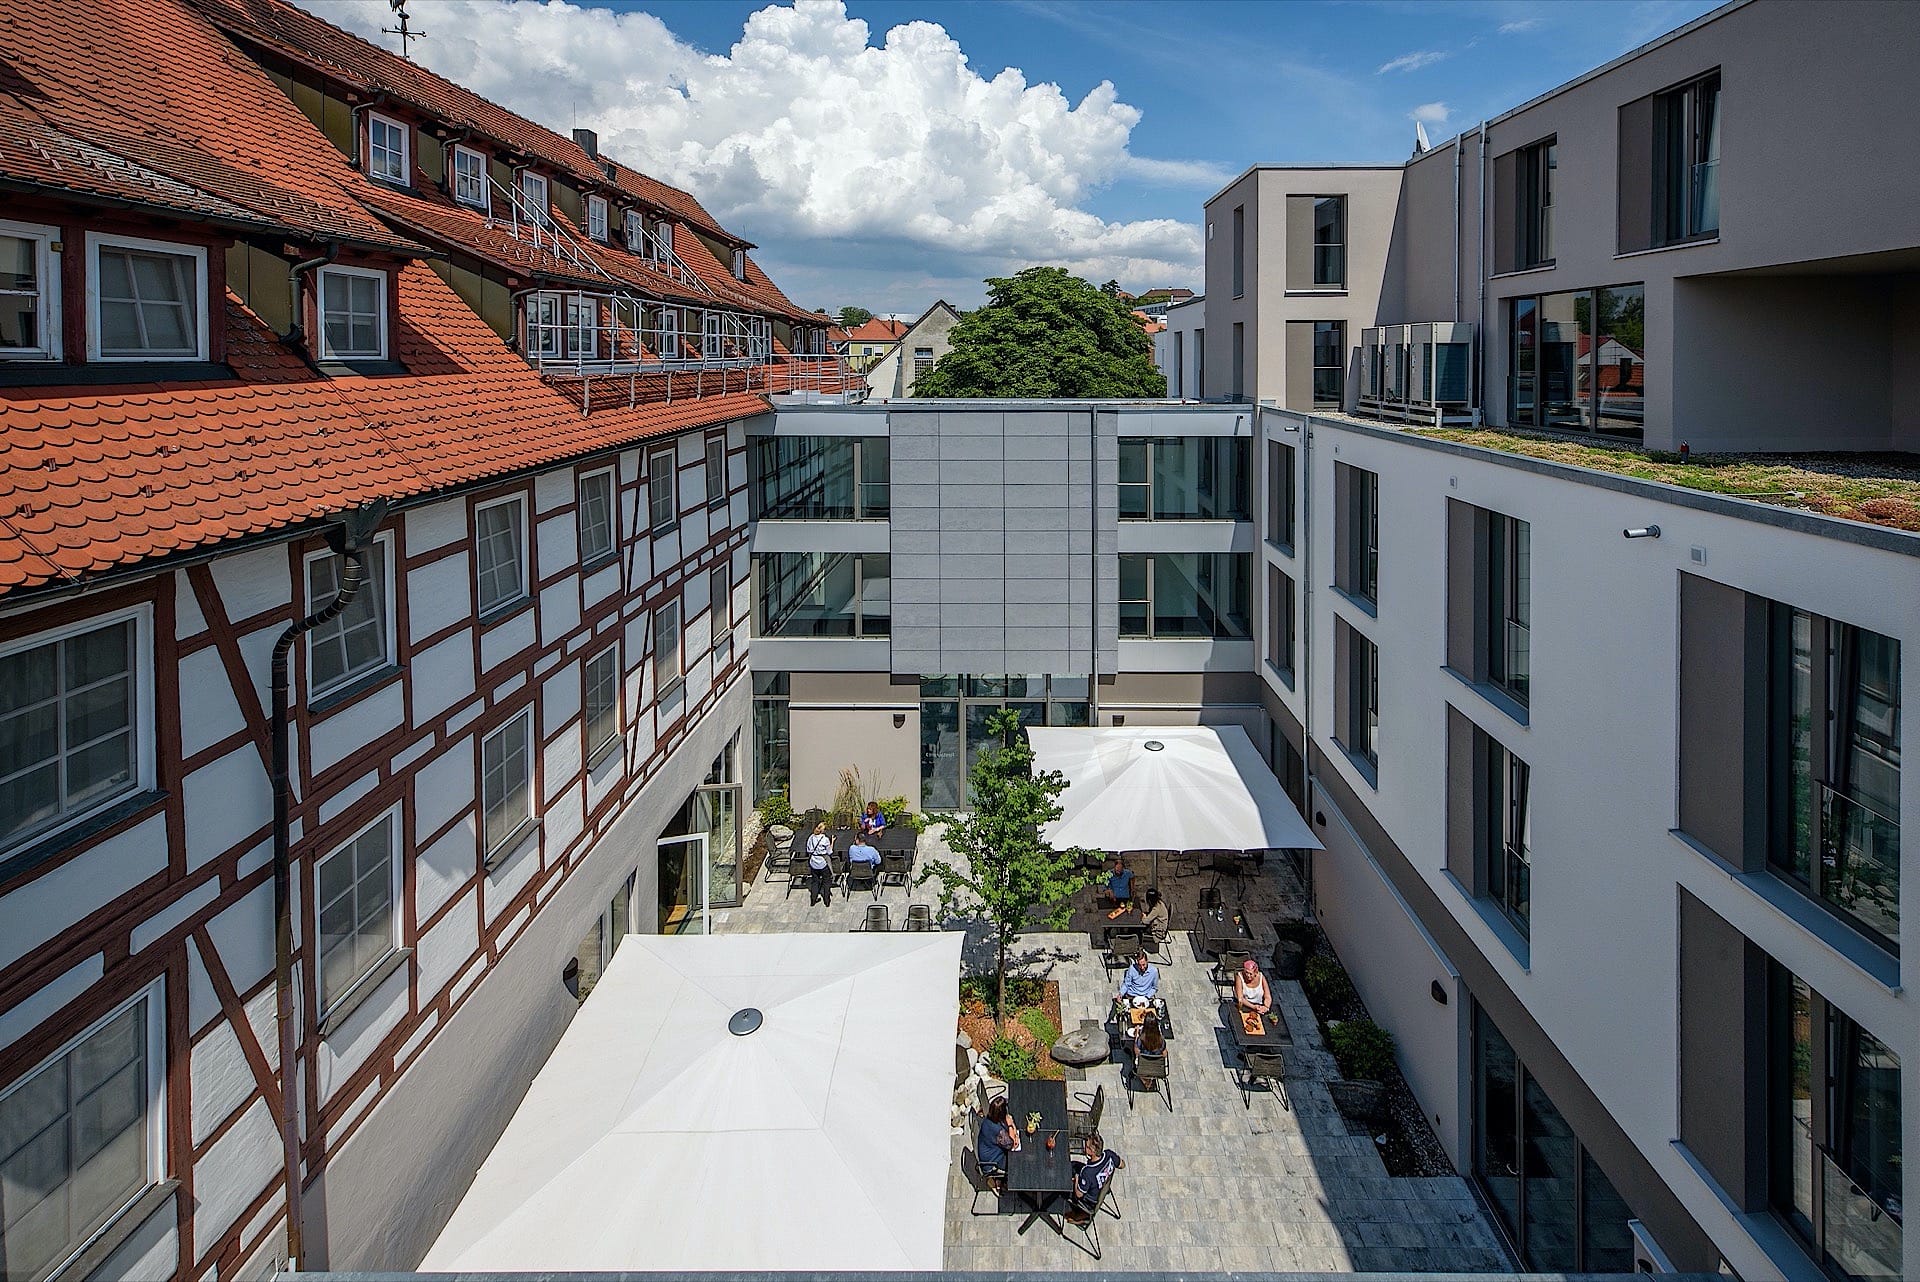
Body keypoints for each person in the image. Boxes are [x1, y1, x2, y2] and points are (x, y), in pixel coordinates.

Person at [1065, 1132, 1123, 1224]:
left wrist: (1076, 1179)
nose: (1084, 1147)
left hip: (1090, 1201)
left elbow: (1079, 1194)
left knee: (1065, 1184)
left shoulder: (1087, 1172)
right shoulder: (1109, 1155)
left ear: (1092, 1151)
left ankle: (1082, 1216)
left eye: (1087, 1146)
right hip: (1102, 1188)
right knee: (1073, 1165)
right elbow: (1122, 1165)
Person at [976, 1095, 1015, 1178]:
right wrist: (1011, 1125)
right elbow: (1011, 1144)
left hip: (989, 1151)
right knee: (1018, 1162)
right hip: (992, 1161)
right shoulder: (997, 1130)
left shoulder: (989, 1119)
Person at [806, 822, 834, 907]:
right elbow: (829, 852)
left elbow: (809, 850)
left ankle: (813, 900)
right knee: (826, 882)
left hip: (813, 862)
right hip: (822, 863)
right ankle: (827, 900)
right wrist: (832, 842)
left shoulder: (811, 837)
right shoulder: (825, 839)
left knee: (815, 881)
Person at [1137, 888, 1170, 952]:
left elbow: (1145, 921)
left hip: (1158, 932)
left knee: (1138, 929)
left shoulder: (1156, 909)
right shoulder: (1160, 903)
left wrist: (1144, 916)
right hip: (1159, 926)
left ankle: (1139, 946)